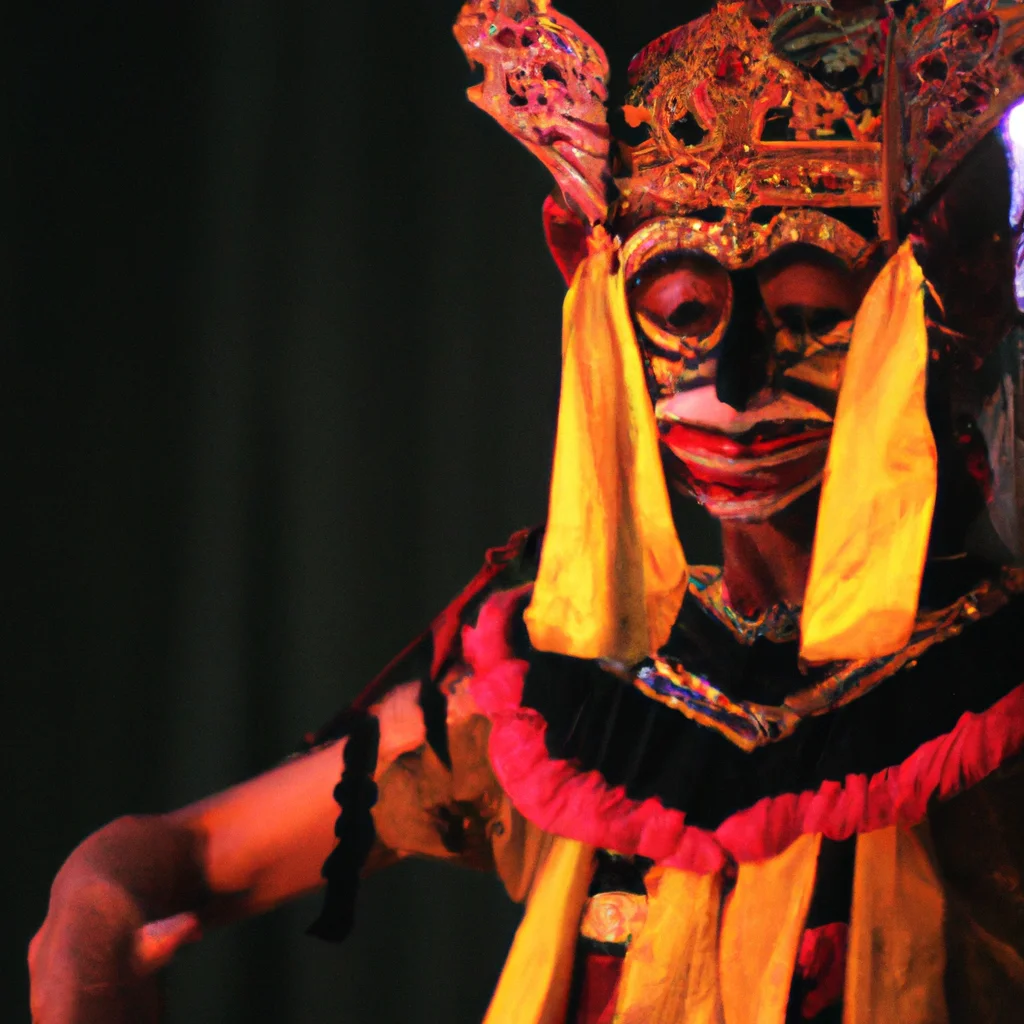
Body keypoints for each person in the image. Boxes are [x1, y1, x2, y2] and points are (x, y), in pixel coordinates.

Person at [29, 0, 1024, 1021]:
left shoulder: (997, 695)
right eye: (684, 312)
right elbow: (180, 855)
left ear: (950, 306)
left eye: (808, 315)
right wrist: (87, 937)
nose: (733, 380)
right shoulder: (576, 696)